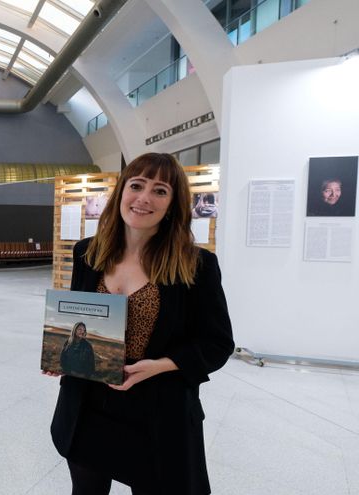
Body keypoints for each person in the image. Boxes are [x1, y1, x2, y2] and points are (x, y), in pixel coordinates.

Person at [49, 153, 234, 494]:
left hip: (157, 410)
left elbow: (218, 343)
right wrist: (63, 353)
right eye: (136, 185)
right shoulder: (87, 254)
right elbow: (82, 318)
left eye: (160, 190)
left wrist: (160, 366)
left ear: (173, 203)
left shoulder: (196, 265)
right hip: (87, 406)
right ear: (121, 191)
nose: (144, 198)